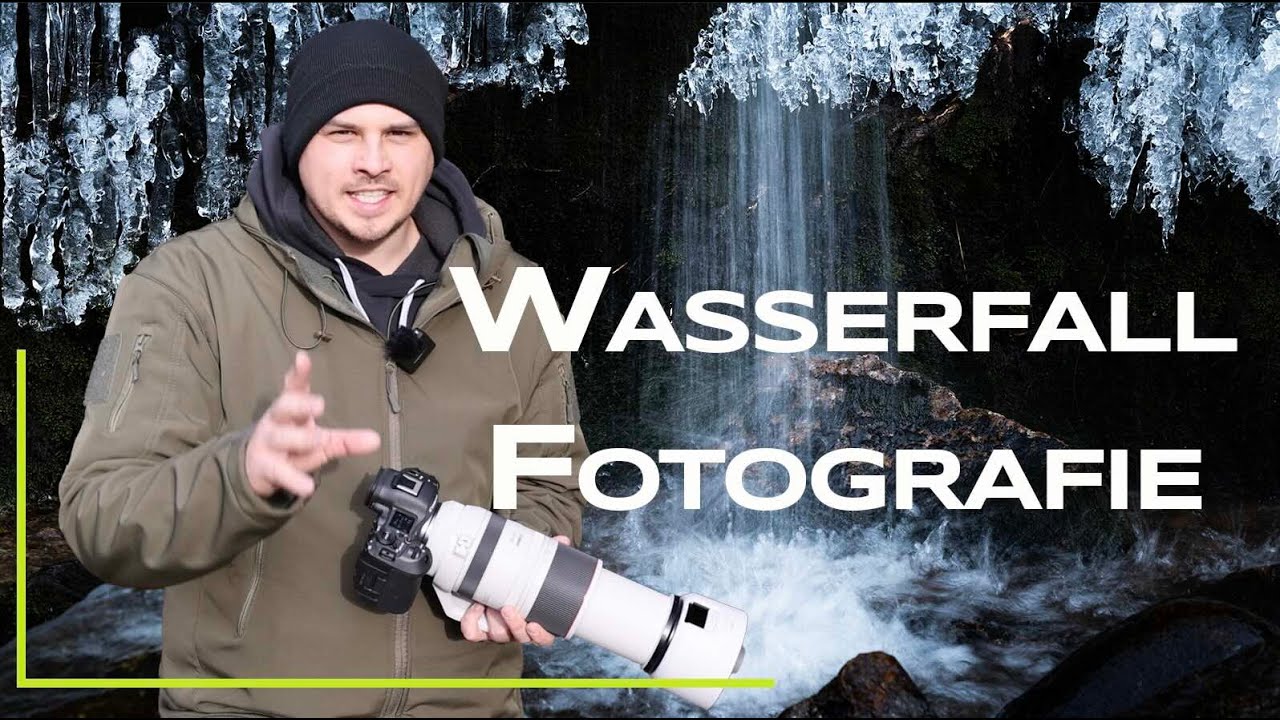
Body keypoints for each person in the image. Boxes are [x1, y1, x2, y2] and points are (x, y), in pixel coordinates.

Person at [58, 19, 589, 718]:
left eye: (400, 133)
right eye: (343, 133)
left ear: (431, 147)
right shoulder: (184, 286)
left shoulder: (514, 290)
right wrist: (241, 475)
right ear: (298, 141)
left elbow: (551, 481)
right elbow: (102, 520)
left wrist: (513, 566)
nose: (373, 161)